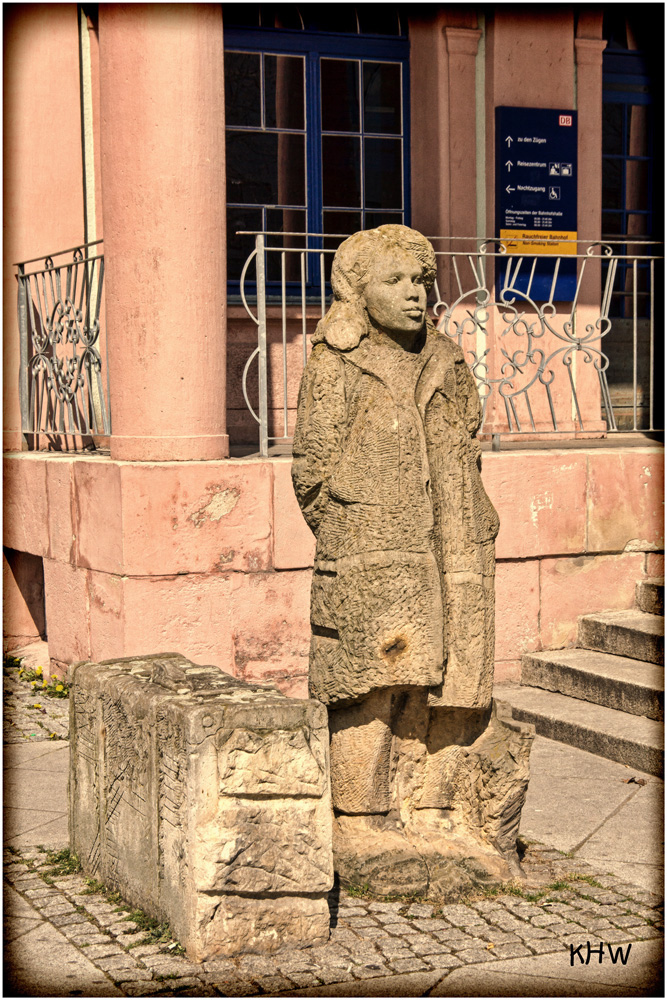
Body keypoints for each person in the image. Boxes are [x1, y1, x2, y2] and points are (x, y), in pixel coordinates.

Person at [292, 225, 528, 897]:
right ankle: (360, 817)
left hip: (450, 542)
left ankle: (434, 808)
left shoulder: (446, 357)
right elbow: (311, 469)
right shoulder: (337, 357)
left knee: (446, 679)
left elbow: (466, 438)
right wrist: (357, 521)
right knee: (372, 684)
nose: (414, 294)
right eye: (394, 281)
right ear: (356, 290)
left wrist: (470, 520)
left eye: (421, 281)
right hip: (374, 547)